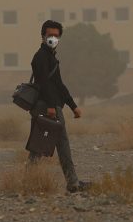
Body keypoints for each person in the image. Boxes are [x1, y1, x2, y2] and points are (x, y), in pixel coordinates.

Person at [25, 19, 91, 193]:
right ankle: (73, 182)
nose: (52, 38)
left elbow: (59, 85)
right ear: (43, 36)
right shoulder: (40, 57)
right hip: (47, 106)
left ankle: (28, 180)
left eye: (56, 35)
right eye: (50, 35)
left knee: (39, 146)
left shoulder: (51, 57)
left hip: (52, 105)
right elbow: (44, 84)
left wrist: (72, 105)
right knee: (60, 144)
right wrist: (51, 106)